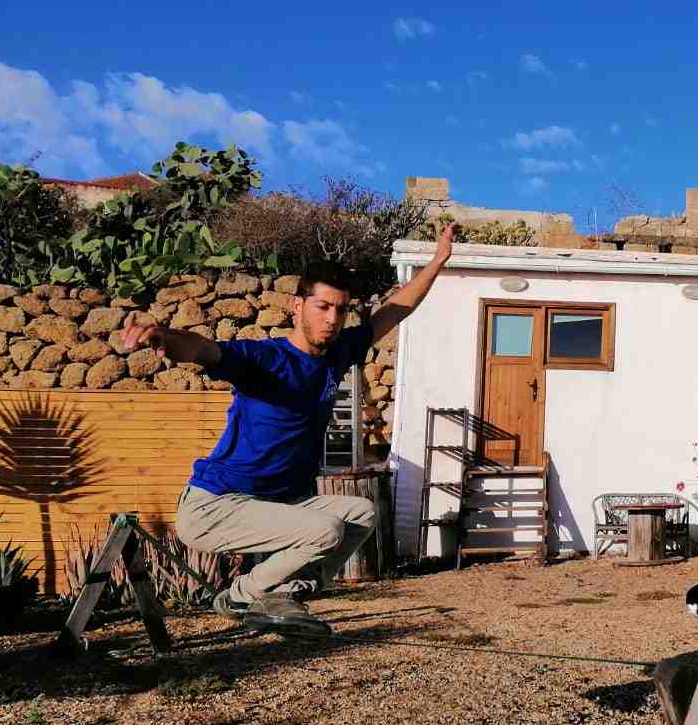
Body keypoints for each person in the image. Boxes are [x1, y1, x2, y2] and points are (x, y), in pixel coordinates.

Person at [120, 222, 455, 633]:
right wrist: (166, 338)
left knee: (361, 513)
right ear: (298, 307)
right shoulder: (264, 360)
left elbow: (394, 311)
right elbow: (206, 350)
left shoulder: (337, 354)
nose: (332, 319)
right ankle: (243, 597)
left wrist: (437, 262)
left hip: (278, 505)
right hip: (215, 505)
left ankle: (281, 595)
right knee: (326, 529)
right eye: (322, 307)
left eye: (340, 309)